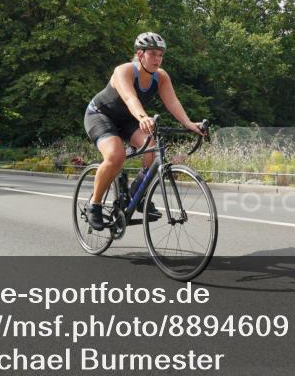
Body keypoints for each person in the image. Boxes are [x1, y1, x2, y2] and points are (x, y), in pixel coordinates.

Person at [83, 32, 204, 230]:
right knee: (116, 155)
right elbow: (131, 98)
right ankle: (94, 205)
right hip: (100, 116)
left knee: (152, 147)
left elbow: (172, 102)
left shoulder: (161, 77)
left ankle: (136, 194)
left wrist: (189, 124)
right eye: (153, 54)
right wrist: (143, 117)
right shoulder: (123, 71)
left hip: (128, 120)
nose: (158, 59)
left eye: (161, 55)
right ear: (140, 55)